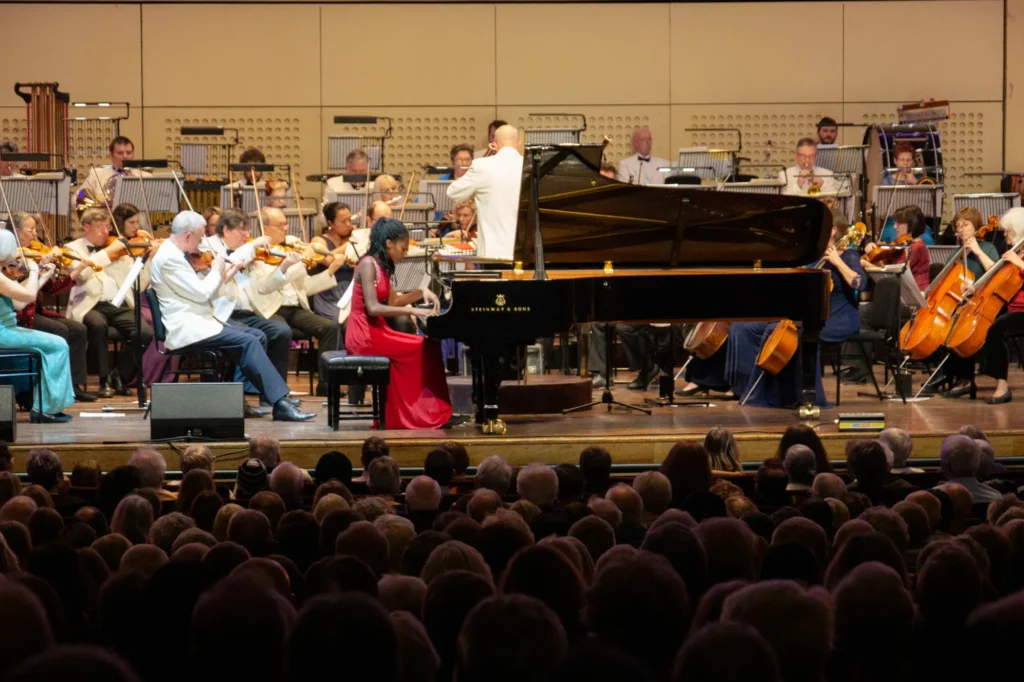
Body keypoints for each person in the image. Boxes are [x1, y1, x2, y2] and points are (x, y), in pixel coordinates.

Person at [148, 210, 315, 422]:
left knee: (256, 335)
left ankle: (239, 401)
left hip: (202, 319)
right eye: (199, 238)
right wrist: (218, 270)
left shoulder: (178, 254)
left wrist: (226, 271)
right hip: (187, 327)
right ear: (188, 235)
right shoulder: (169, 259)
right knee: (248, 340)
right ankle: (280, 402)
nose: (201, 244)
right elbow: (201, 294)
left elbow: (203, 291)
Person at [726, 217, 867, 407]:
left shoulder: (848, 254)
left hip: (839, 318)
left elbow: (860, 283)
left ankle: (809, 397)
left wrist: (836, 261)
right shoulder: (814, 256)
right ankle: (747, 389)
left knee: (803, 333)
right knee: (744, 327)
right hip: (810, 315)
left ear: (833, 230)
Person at [346, 218, 452, 429]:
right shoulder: (367, 264)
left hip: (375, 329)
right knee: (419, 348)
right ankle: (409, 413)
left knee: (429, 345)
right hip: (363, 334)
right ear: (389, 244)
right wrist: (412, 309)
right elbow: (373, 308)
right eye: (403, 248)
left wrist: (420, 292)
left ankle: (424, 408)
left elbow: (393, 301)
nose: (404, 254)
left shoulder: (381, 265)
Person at [238, 207, 344, 395]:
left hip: (294, 309)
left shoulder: (290, 249)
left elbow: (305, 288)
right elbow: (266, 286)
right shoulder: (258, 252)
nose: (286, 228)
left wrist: (329, 271)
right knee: (282, 332)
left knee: (330, 327)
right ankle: (279, 390)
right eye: (281, 225)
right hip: (271, 309)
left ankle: (326, 385)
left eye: (286, 224)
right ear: (265, 227)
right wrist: (301, 263)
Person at [65, 208, 153, 398]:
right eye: (100, 227)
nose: (106, 232)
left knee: (145, 332)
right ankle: (103, 380)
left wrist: (148, 259)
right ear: (86, 227)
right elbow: (80, 275)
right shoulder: (72, 248)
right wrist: (107, 253)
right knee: (98, 326)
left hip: (119, 304)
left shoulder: (118, 249)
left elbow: (140, 284)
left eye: (107, 227)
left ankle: (119, 374)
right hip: (91, 305)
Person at [204, 208, 293, 394]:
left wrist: (283, 267)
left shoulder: (250, 250)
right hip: (220, 313)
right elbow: (226, 264)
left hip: (248, 312)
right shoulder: (208, 246)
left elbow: (263, 287)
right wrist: (249, 248)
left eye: (248, 230)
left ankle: (275, 394)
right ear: (227, 231)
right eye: (242, 230)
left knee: (281, 331)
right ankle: (243, 393)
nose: (248, 235)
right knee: (250, 335)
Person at [11, 212, 93, 402]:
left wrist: (78, 269)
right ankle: (49, 389)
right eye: (30, 229)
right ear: (15, 231)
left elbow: (53, 289)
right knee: (60, 330)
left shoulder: (32, 254)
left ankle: (73, 384)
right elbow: (19, 291)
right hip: (21, 314)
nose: (35, 234)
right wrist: (37, 268)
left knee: (78, 328)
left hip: (35, 311)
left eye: (35, 229)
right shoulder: (10, 259)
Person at [0, 230, 74, 422]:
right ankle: (46, 408)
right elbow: (29, 296)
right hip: (4, 333)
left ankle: (45, 405)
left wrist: (42, 276)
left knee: (52, 344)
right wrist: (33, 269)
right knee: (58, 344)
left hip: (8, 329)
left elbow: (19, 304)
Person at [447, 124, 523, 261]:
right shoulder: (530, 166)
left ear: (495, 144)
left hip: (492, 253)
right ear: (519, 144)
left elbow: (453, 192)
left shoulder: (482, 166)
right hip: (524, 253)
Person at [972, 207, 1024, 404]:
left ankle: (1002, 386)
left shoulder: (1018, 257)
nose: (1004, 234)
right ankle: (963, 379)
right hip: (1012, 308)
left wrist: (1020, 264)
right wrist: (974, 288)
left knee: (997, 328)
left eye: (1008, 230)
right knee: (975, 324)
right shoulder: (1015, 253)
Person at [311, 202, 362, 323]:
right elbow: (328, 260)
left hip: (352, 291)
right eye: (343, 221)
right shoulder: (319, 240)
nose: (349, 225)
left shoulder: (356, 235)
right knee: (342, 321)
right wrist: (349, 244)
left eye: (350, 219)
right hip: (329, 293)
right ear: (331, 223)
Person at [861, 204, 931, 290]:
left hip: (913, 296)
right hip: (901, 294)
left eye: (899, 223)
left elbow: (894, 276)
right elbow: (886, 266)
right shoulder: (904, 245)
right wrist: (874, 254)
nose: (894, 226)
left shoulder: (916, 247)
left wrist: (866, 264)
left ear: (911, 225)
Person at [77, 136, 140, 209]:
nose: (125, 156)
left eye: (129, 153)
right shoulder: (96, 174)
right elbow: (75, 200)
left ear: (133, 155)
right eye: (120, 153)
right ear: (111, 155)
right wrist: (98, 205)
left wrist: (136, 186)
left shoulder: (143, 176)